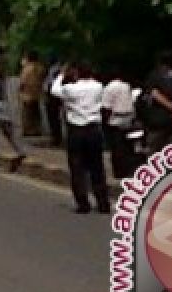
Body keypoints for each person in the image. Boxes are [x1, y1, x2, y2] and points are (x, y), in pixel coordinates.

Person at [52, 63, 110, 214]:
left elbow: (55, 90)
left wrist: (61, 75)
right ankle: (103, 202)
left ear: (77, 73)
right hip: (94, 129)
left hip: (76, 130)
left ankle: (83, 202)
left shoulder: (71, 89)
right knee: (97, 167)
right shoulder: (98, 87)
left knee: (77, 167)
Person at [101, 73, 137, 178]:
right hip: (127, 119)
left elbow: (106, 106)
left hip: (115, 120)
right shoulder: (126, 86)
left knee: (116, 148)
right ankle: (127, 169)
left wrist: (105, 122)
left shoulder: (109, 88)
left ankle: (119, 172)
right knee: (126, 147)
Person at [19, 51, 46, 137]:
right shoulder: (40, 68)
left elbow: (23, 81)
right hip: (37, 93)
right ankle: (37, 129)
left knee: (27, 112)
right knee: (36, 112)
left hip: (27, 93)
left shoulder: (27, 68)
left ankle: (28, 129)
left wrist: (20, 89)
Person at [42, 56, 65, 147]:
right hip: (54, 95)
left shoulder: (55, 70)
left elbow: (52, 83)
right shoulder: (54, 69)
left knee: (53, 117)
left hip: (54, 96)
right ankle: (56, 137)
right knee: (54, 117)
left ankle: (56, 138)